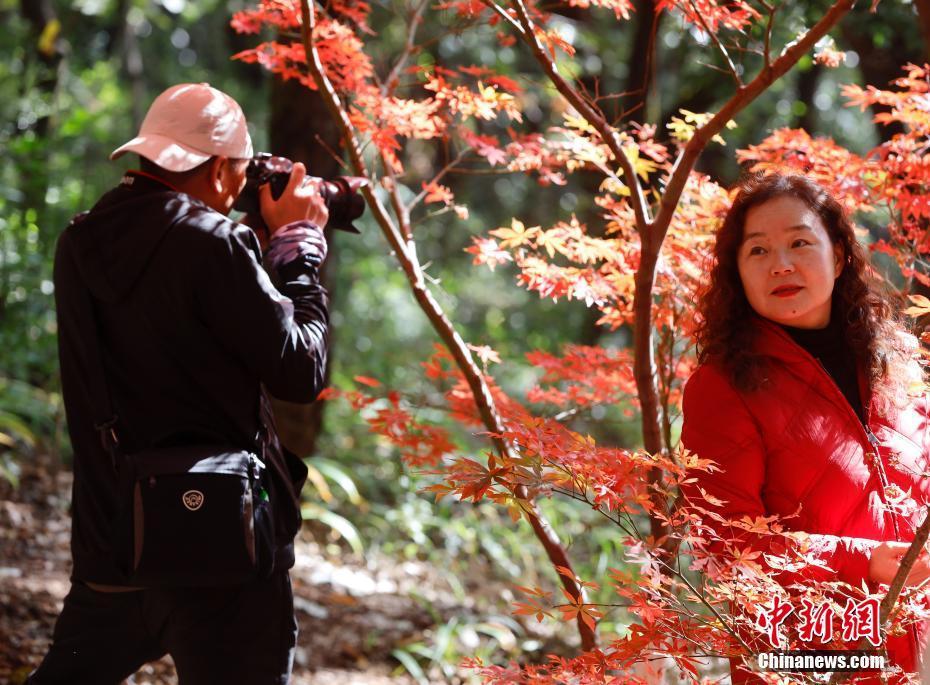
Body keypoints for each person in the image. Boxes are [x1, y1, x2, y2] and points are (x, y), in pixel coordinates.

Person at [29, 83, 330, 684]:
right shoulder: (217, 245)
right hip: (220, 549)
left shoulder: (80, 240)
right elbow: (301, 370)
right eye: (241, 174)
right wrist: (297, 253)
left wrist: (248, 247)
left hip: (114, 541)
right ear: (220, 168)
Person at [681, 172, 930, 683]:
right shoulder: (721, 386)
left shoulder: (894, 360)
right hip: (803, 654)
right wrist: (865, 563)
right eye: (758, 251)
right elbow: (724, 544)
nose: (782, 264)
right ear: (738, 274)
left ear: (838, 257)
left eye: (799, 242)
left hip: (919, 642)